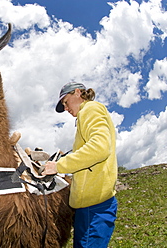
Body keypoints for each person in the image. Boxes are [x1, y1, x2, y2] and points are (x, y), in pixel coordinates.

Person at [42, 82, 118, 248]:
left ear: (77, 92)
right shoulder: (87, 114)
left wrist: (58, 166)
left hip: (95, 206)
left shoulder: (90, 109)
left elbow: (100, 147)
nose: (66, 108)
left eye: (66, 102)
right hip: (89, 205)